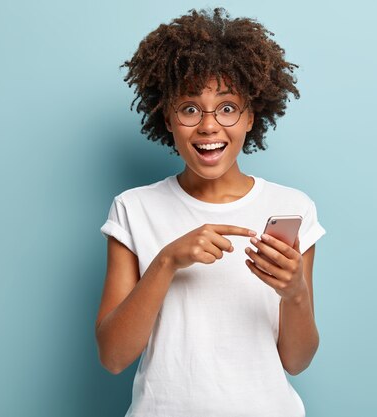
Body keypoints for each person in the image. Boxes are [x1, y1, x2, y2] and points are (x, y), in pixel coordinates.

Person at [95, 7, 326, 417]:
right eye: (189, 109)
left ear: (250, 116)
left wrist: (294, 294)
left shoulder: (293, 208)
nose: (208, 126)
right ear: (167, 117)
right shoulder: (134, 209)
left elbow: (297, 360)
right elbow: (113, 356)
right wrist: (167, 260)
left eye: (226, 107)